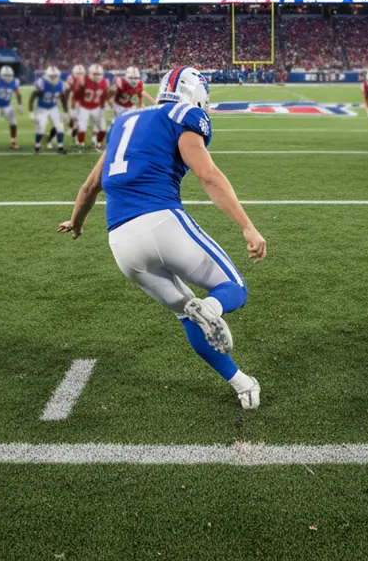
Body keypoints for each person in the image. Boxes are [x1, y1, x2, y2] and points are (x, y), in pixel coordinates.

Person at [57, 65, 266, 410]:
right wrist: (247, 225)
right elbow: (208, 175)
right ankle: (212, 309)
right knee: (233, 290)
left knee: (187, 314)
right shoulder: (184, 114)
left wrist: (76, 224)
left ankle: (241, 383)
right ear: (195, 92)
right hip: (161, 223)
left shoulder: (124, 122)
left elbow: (89, 187)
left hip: (121, 243)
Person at [0, 65, 23, 150]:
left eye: (9, 75)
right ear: (1, 75)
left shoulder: (15, 81)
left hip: (7, 105)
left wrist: (20, 105)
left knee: (13, 123)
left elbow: (18, 93)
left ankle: (13, 142)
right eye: (6, 75)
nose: (8, 77)